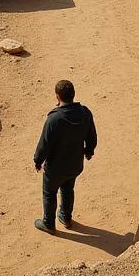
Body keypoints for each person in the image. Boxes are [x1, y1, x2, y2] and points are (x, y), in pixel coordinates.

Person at [33, 79, 97, 233]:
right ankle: (65, 217)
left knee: (49, 193)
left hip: (55, 167)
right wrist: (89, 150)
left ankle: (48, 223)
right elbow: (91, 135)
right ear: (73, 95)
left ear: (57, 97)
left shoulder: (54, 119)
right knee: (68, 189)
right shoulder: (85, 113)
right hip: (75, 165)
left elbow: (45, 144)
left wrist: (38, 160)